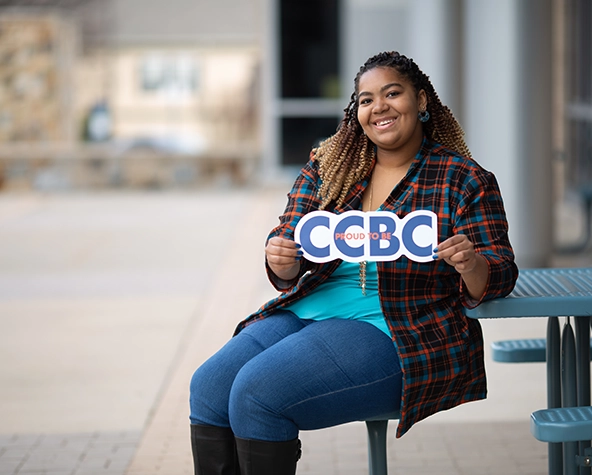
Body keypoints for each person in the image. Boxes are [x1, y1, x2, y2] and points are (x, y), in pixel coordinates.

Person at [189, 51, 518, 475]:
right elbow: (288, 249)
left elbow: (501, 272)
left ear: (420, 101)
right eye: (365, 99)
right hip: (309, 311)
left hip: (399, 328)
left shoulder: (463, 178)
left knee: (256, 392)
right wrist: (282, 258)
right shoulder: (331, 166)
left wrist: (471, 263)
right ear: (356, 111)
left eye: (392, 93)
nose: (378, 107)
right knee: (210, 387)